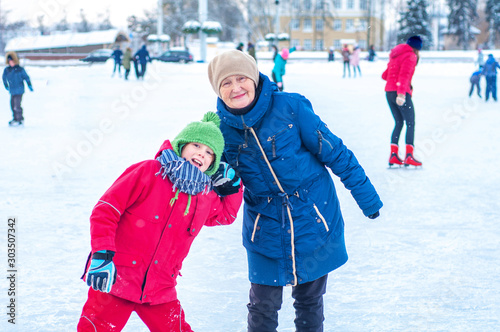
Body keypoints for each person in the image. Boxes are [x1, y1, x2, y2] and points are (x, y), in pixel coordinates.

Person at [207, 50, 383, 332]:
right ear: (218, 89)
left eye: (241, 78)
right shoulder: (217, 131)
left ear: (253, 78)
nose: (236, 87)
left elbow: (336, 153)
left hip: (312, 217)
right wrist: (222, 180)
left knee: (309, 300)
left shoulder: (290, 107)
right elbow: (218, 180)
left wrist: (367, 198)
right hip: (264, 228)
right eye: (226, 83)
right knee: (262, 305)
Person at [77, 112, 243, 332]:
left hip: (160, 289)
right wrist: (102, 254)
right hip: (116, 279)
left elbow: (225, 215)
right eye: (196, 145)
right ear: (181, 145)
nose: (201, 154)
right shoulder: (148, 172)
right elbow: (106, 210)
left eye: (209, 152)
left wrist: (233, 188)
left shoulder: (203, 195)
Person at [382, 35, 423, 167]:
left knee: (399, 122)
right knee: (410, 123)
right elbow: (404, 76)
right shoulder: (411, 56)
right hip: (400, 92)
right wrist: (401, 94)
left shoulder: (396, 54)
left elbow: (385, 75)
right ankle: (409, 156)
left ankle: (393, 155)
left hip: (389, 92)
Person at [2, 51, 33, 127]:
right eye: (9, 61)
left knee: (17, 105)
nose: (11, 63)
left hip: (19, 90)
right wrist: (6, 85)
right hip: (12, 90)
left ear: (15, 61)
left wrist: (29, 85)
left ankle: (20, 119)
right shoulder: (7, 70)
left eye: (12, 61)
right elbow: (4, 78)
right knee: (12, 105)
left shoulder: (20, 69)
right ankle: (15, 118)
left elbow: (26, 77)